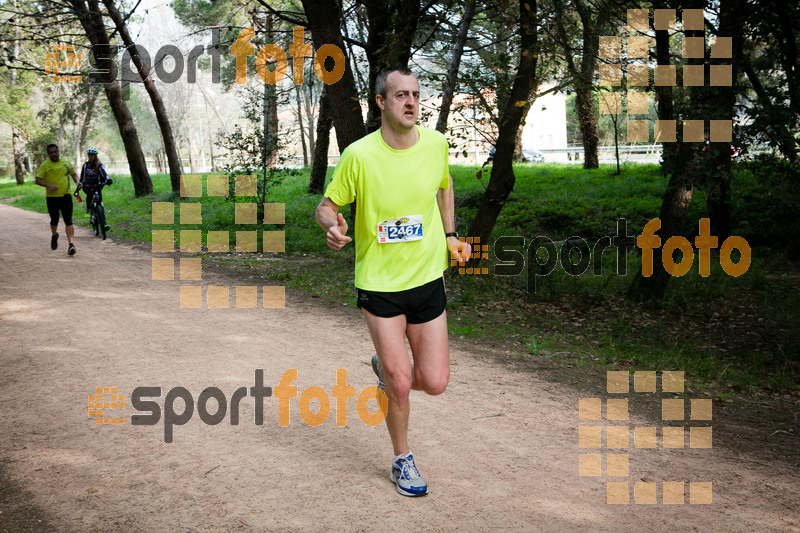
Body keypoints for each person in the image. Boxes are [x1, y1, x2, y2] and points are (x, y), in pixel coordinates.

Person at [315, 67, 471, 497]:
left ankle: (386, 369)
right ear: (381, 102)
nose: (411, 103)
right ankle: (402, 459)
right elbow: (326, 206)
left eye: (416, 95)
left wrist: (452, 235)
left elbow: (444, 185)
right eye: (401, 95)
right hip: (380, 284)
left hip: (426, 277)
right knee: (402, 384)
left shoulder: (436, 144)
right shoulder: (359, 155)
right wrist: (332, 225)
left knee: (435, 382)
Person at [34, 144, 79, 255]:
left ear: (58, 151)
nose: (54, 154)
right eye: (51, 152)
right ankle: (54, 235)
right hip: (52, 198)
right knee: (54, 220)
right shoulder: (45, 165)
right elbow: (37, 180)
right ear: (48, 154)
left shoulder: (66, 163)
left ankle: (71, 245)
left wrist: (77, 182)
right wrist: (49, 186)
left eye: (55, 151)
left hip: (66, 196)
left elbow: (74, 174)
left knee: (68, 221)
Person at [78, 147, 112, 232]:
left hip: (97, 184)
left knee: (100, 202)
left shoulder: (99, 165)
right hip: (87, 184)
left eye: (92, 155)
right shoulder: (85, 165)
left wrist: (108, 180)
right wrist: (80, 184)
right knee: (89, 195)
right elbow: (82, 176)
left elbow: (104, 173)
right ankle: (88, 210)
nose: (91, 157)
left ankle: (104, 224)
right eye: (89, 155)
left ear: (95, 155)